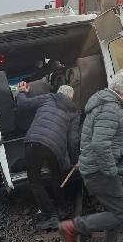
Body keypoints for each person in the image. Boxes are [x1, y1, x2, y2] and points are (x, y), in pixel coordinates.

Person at [58, 69, 123, 242]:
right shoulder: (110, 109)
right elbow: (100, 145)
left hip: (98, 169)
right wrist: (112, 172)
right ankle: (73, 227)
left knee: (114, 216)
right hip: (101, 172)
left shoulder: (105, 105)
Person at [16, 82, 80, 230]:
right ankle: (62, 208)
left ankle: (52, 216)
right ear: (71, 98)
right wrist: (75, 161)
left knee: (35, 182)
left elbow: (23, 105)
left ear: (58, 92)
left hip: (35, 142)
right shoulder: (74, 112)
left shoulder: (49, 98)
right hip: (56, 148)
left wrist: (21, 92)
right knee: (56, 177)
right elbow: (72, 140)